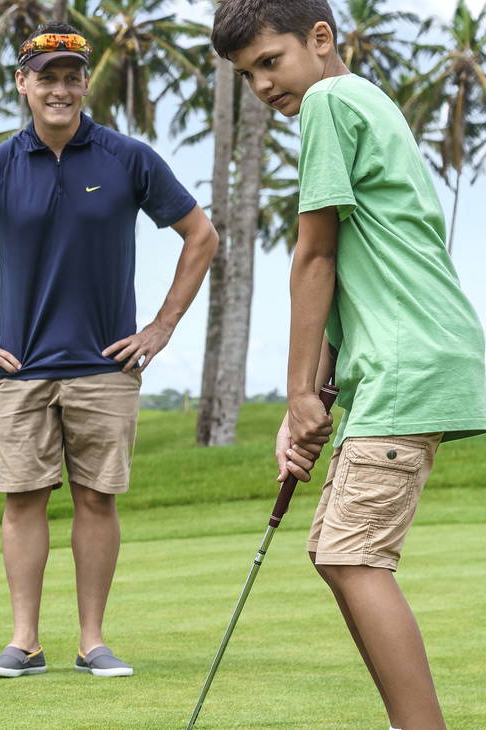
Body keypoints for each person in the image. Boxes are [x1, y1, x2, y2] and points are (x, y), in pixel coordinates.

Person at [0, 22, 219, 680]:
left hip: (105, 369)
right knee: (22, 500)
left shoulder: (126, 158)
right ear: (22, 84)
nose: (60, 88)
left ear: (86, 84)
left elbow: (201, 235)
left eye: (72, 77)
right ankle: (23, 643)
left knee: (97, 500)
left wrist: (161, 327)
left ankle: (92, 642)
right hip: (21, 370)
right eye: (46, 76)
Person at [214, 1, 486, 727]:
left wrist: (297, 392)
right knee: (333, 552)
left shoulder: (329, 102)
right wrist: (314, 397)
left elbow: (317, 257)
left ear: (320, 38)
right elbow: (354, 273)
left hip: (406, 361)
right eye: (247, 75)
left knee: (354, 558)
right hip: (404, 357)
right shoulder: (366, 101)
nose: (262, 85)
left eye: (269, 62)